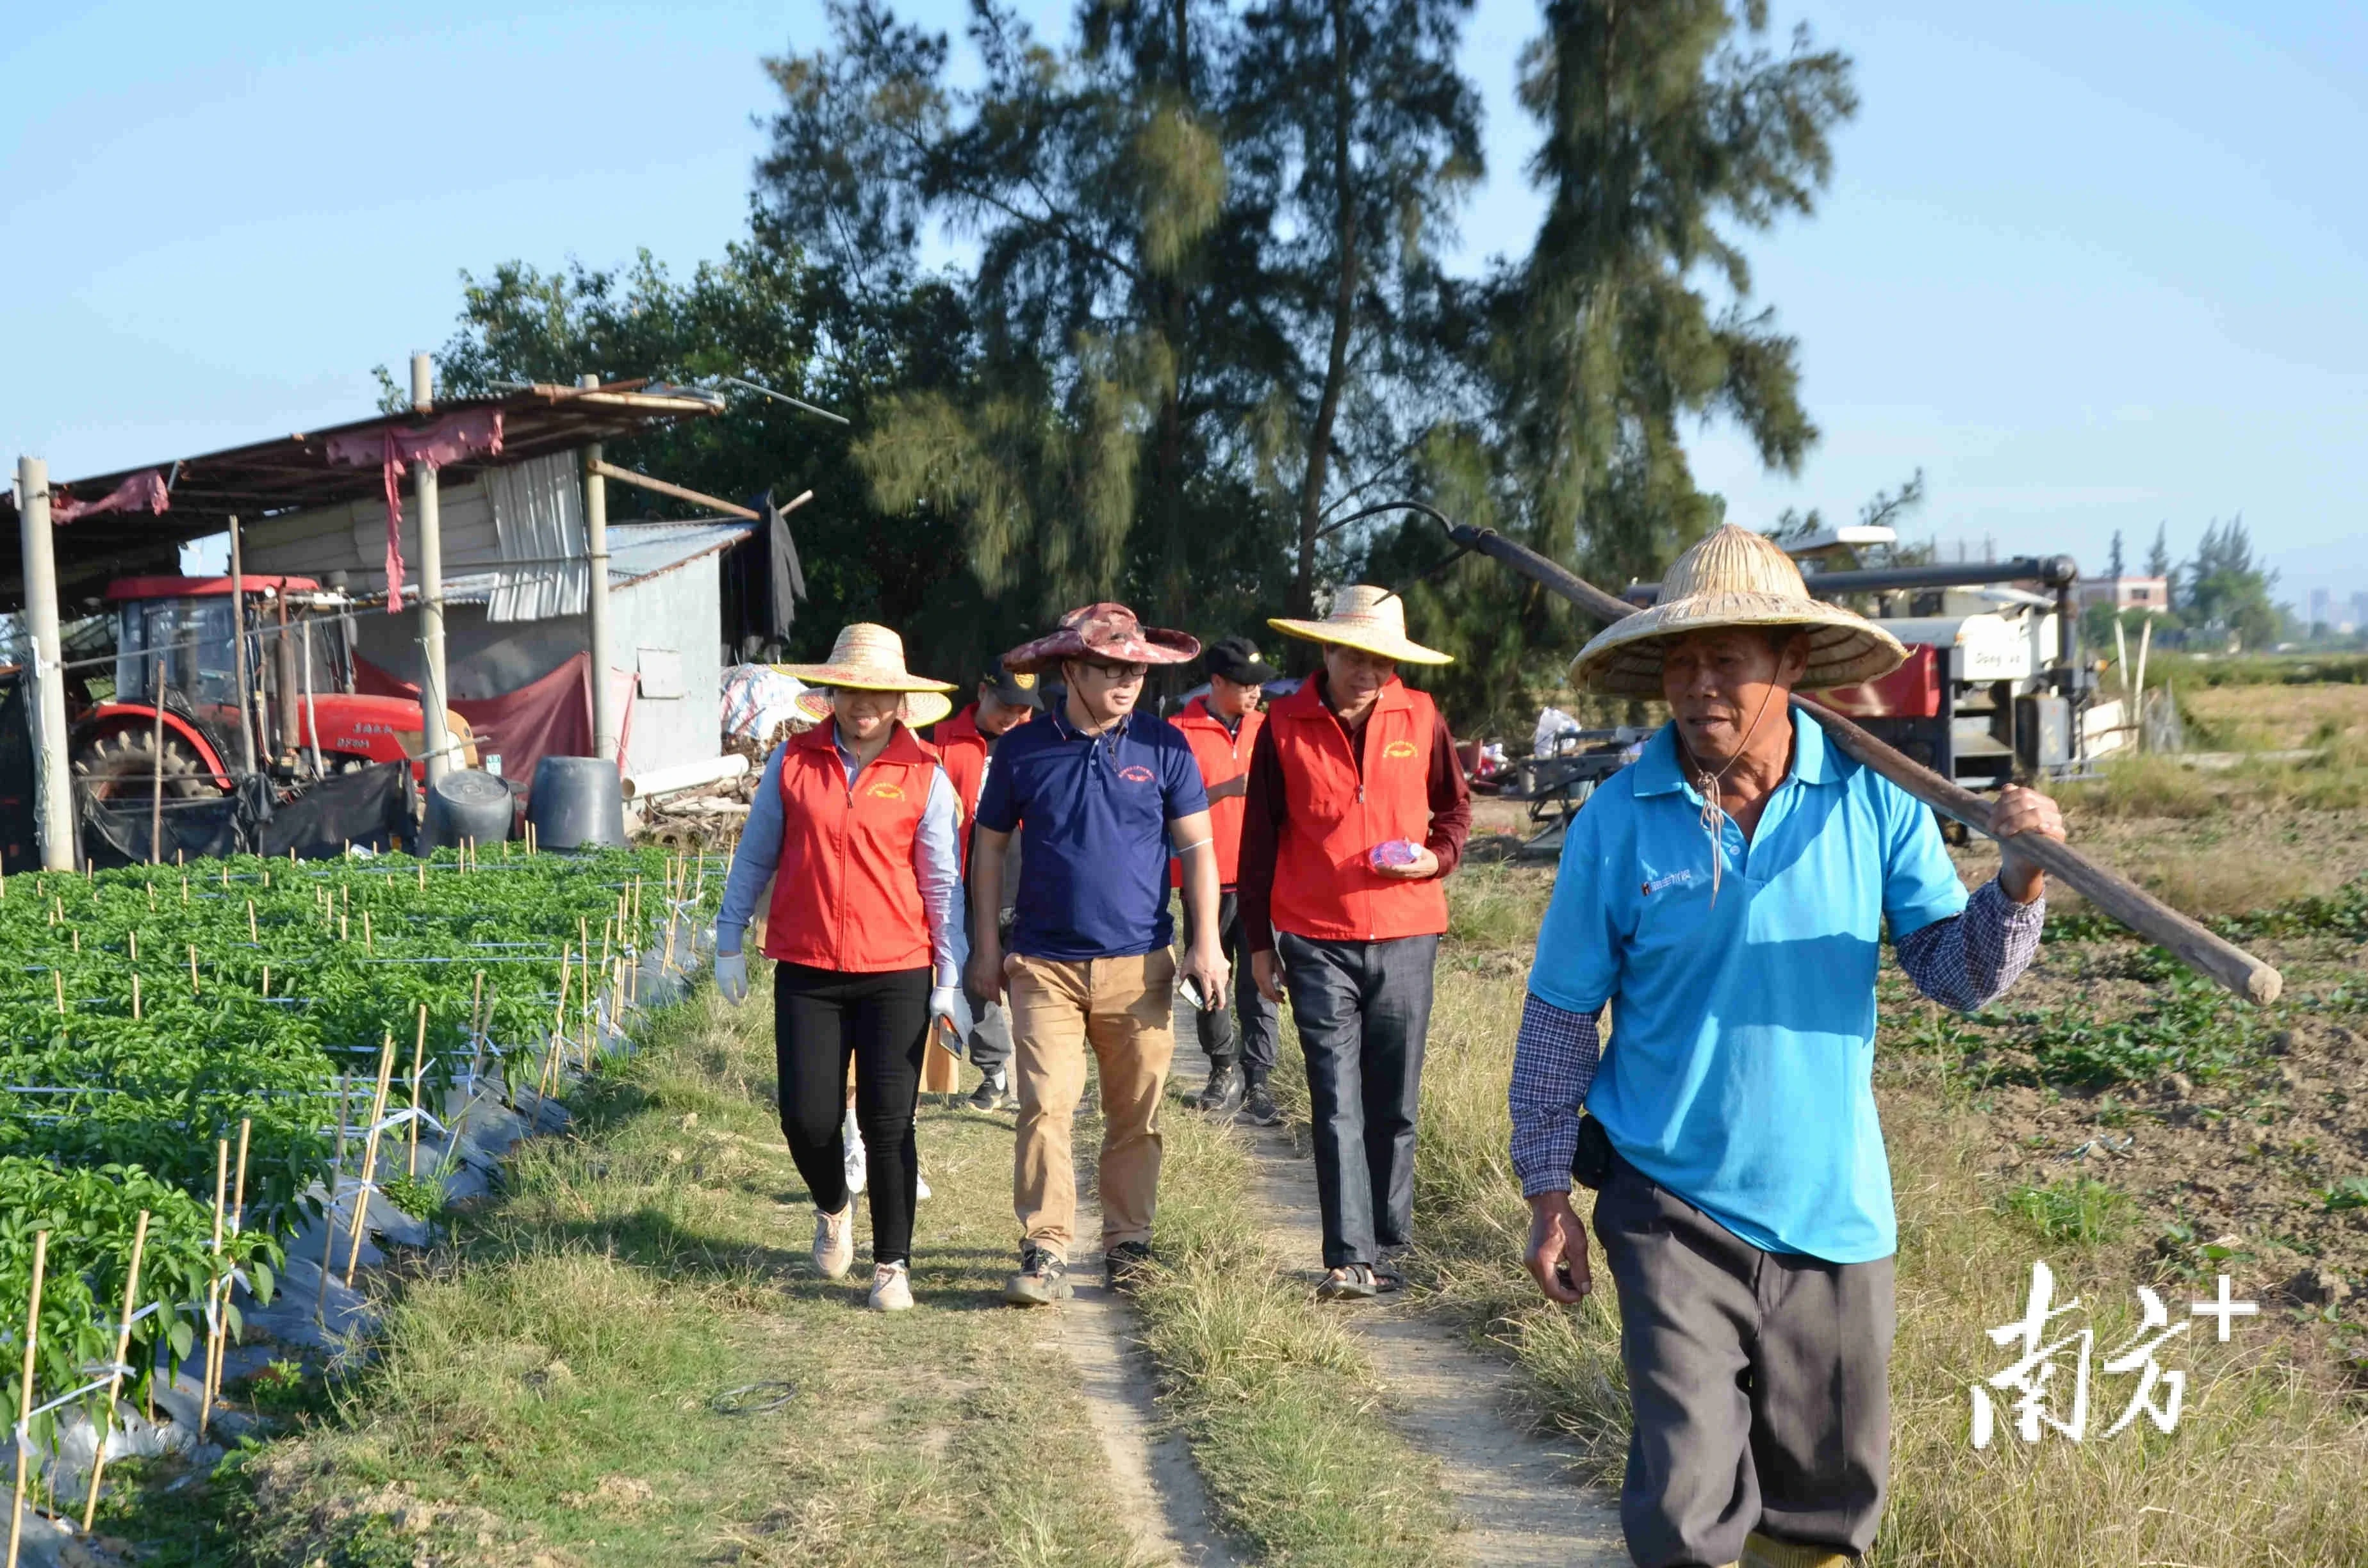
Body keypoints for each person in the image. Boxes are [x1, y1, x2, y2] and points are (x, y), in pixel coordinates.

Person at [1509, 526, 2066, 1568]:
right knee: (1683, 1496)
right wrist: (1549, 1193)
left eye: (1729, 657)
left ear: (1792, 663)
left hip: (1832, 1207)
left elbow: (1955, 972)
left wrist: (2017, 885)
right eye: (1681, 660)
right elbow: (1557, 1014)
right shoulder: (1617, 820)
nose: (1699, 684)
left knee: (1822, 1505)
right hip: (1666, 1197)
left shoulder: (1871, 796)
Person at [965, 603, 1229, 1305]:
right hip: (1042, 963)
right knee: (1045, 1103)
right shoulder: (1022, 750)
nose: (1126, 681)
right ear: (1071, 671)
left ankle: (1128, 1244)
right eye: (1110, 667)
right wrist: (985, 944)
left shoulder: (1166, 746)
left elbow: (1199, 849)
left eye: (1136, 669)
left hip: (1141, 961)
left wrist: (1208, 942)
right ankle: (1045, 1247)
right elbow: (988, 849)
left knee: (1135, 1112)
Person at [713, 625, 972, 1314]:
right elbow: (756, 853)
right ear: (830, 693)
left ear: (900, 700)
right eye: (851, 690)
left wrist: (951, 976)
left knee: (890, 1123)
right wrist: (729, 935)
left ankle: (892, 1265)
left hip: (898, 967)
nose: (864, 705)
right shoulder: (793, 763)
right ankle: (833, 1205)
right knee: (806, 1116)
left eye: (879, 693)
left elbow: (943, 882)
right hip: (807, 963)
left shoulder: (925, 774)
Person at [1237, 586, 1471, 1300]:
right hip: (1315, 938)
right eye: (1350, 653)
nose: (1363, 669)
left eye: (1378, 657)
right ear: (1326, 650)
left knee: (1393, 1099)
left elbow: (1456, 809)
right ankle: (1348, 1257)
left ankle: (1387, 1240)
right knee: (1335, 1097)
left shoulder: (1423, 715)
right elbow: (1257, 844)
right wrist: (1258, 946)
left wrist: (1438, 858)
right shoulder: (1282, 723)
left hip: (1407, 933)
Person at [1169, 637, 1285, 1123]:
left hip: (1264, 881)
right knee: (1207, 978)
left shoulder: (1272, 728)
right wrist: (1223, 791)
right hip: (1205, 881)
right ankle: (1221, 1069)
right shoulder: (1177, 732)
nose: (1256, 692)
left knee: (1262, 982)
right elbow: (1165, 807)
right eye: (1245, 685)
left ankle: (1259, 1080)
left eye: (1260, 684)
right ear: (1216, 683)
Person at [928, 668, 1044, 1112]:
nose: (1013, 719)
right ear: (982, 692)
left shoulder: (1040, 743)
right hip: (963, 882)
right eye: (1004, 707)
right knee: (977, 980)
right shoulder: (943, 738)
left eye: (1023, 710)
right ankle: (994, 1075)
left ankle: (1040, 1083)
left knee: (1034, 986)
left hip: (1028, 881)